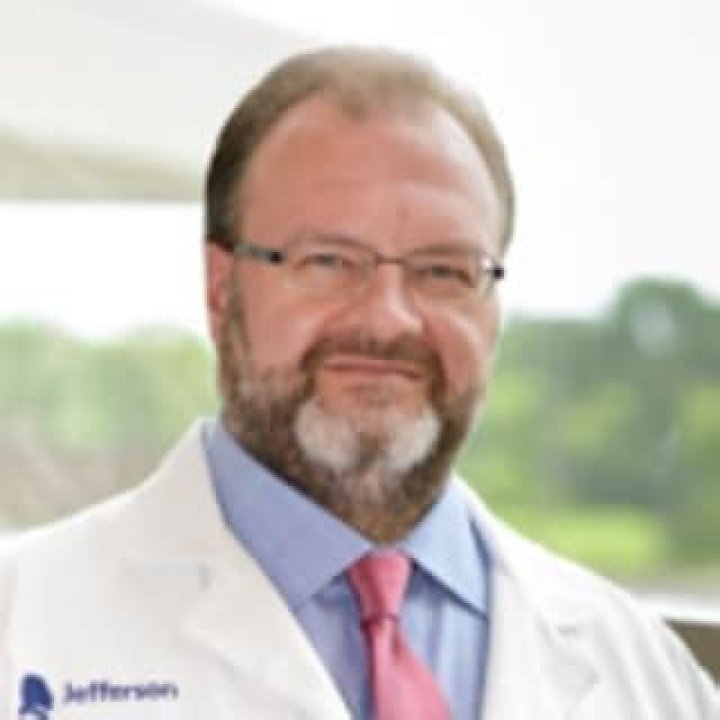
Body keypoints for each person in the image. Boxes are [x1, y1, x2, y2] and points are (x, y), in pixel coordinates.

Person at [0, 46, 716, 719]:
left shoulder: (647, 676)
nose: (387, 318)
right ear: (221, 290)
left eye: (443, 270)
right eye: (328, 261)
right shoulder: (23, 620)